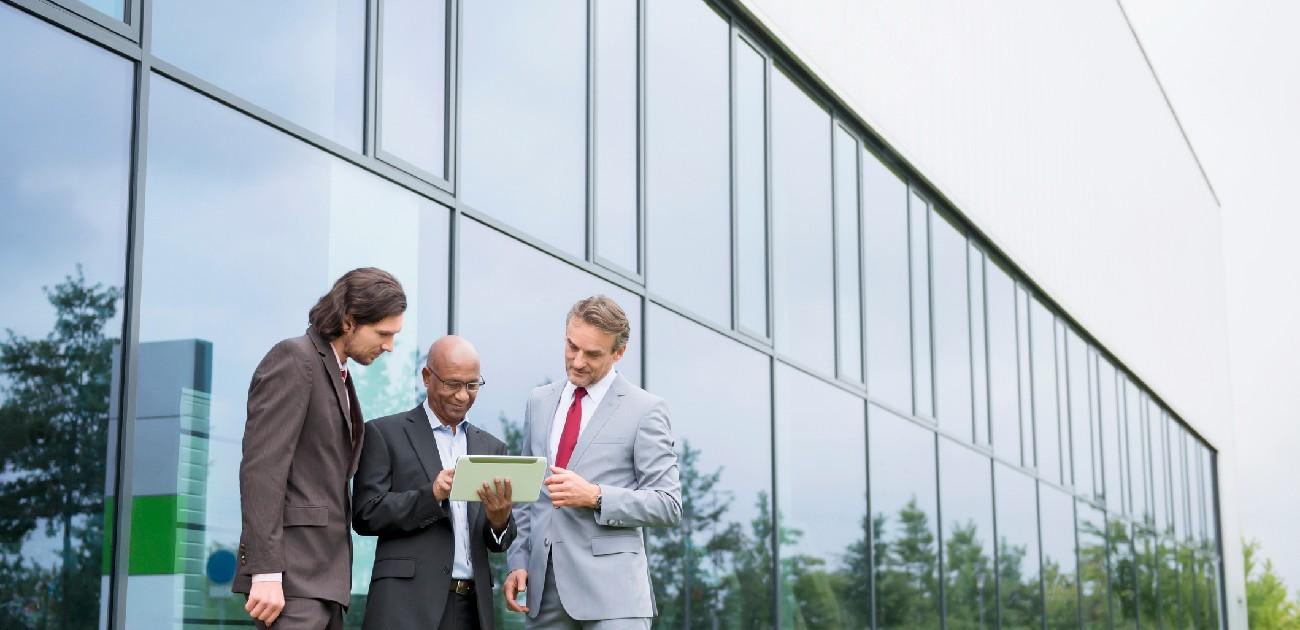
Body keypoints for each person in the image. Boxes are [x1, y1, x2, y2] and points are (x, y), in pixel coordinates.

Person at [234, 267, 407, 629]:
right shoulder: (295, 360)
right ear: (348, 321)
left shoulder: (338, 373)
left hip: (325, 582)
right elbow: (262, 469)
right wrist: (265, 570)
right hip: (292, 579)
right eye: (383, 334)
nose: (389, 346)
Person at [504, 295, 682, 629]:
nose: (578, 361)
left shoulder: (646, 409)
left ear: (619, 353)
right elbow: (527, 496)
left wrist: (596, 496)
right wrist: (518, 561)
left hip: (614, 598)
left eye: (593, 354)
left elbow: (668, 504)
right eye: (572, 347)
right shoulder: (538, 402)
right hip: (545, 595)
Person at [353, 336, 517, 630]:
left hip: (473, 608)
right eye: (453, 384)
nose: (463, 396)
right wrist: (432, 494)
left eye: (472, 385)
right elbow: (365, 514)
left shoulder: (492, 448)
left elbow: (499, 541)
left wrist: (500, 519)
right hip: (405, 606)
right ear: (427, 377)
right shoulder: (384, 433)